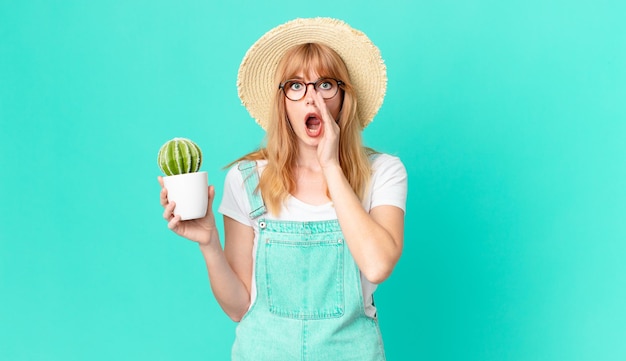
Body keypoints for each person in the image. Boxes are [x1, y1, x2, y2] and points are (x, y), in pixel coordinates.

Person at [158, 17, 407, 361]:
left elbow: (377, 266)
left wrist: (330, 165)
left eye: (325, 85)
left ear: (343, 97)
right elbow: (238, 306)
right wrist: (209, 243)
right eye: (296, 86)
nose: (311, 99)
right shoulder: (247, 180)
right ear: (283, 102)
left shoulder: (383, 172)